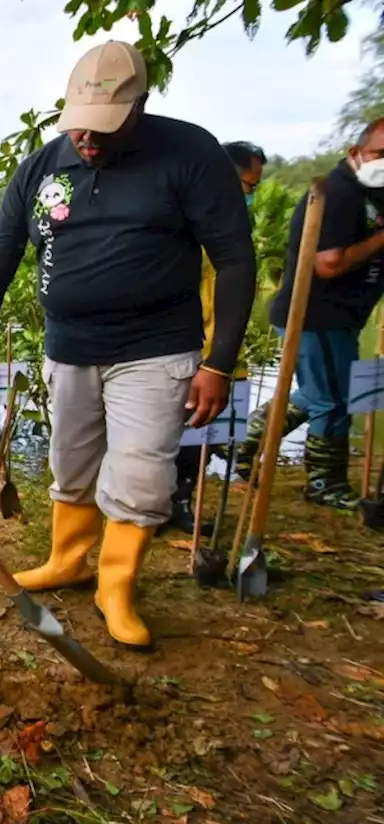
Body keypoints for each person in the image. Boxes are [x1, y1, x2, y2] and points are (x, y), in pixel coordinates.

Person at [0, 41, 256, 651]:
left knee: (142, 469)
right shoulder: (43, 164)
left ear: (140, 107)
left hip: (156, 349)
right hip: (70, 347)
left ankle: (115, 586)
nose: (87, 142)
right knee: (70, 463)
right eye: (79, 129)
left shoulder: (190, 154)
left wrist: (218, 363)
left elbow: (234, 258)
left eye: (102, 131)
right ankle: (68, 560)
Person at [234, 119, 384, 509]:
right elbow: (329, 264)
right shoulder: (338, 193)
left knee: (315, 392)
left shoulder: (372, 193)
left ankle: (245, 443)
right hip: (317, 315)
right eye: (380, 155)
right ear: (356, 153)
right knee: (331, 399)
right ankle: (325, 483)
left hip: (342, 316)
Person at [163, 141, 266, 534]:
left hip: (220, 348)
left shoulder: (236, 229)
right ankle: (156, 503)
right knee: (165, 435)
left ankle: (183, 502)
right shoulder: (188, 218)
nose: (251, 195)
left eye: (255, 188)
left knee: (202, 435)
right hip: (183, 346)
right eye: (247, 185)